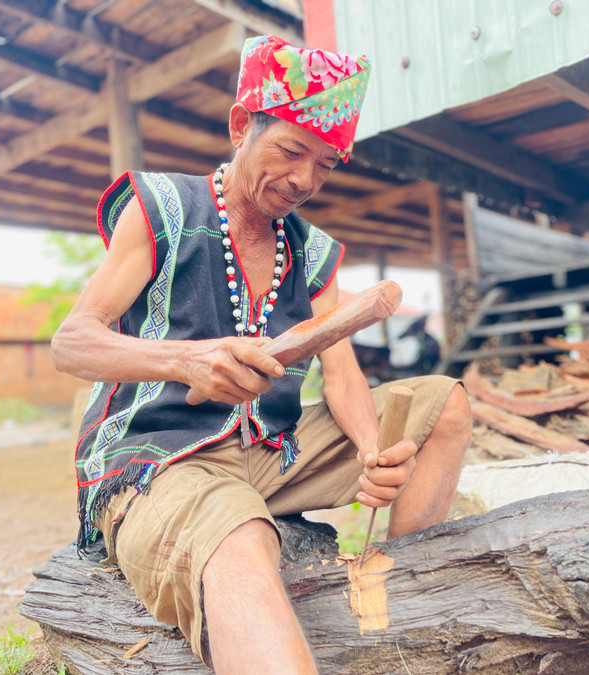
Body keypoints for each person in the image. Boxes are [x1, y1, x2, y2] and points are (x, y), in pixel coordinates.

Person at [52, 34, 471, 674]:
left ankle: (398, 598)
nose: (305, 180)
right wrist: (184, 361)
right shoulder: (163, 208)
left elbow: (342, 378)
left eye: (325, 165)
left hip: (274, 453)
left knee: (445, 404)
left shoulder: (312, 252)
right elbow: (72, 342)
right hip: (161, 457)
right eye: (291, 151)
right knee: (241, 537)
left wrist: (372, 451)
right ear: (241, 126)